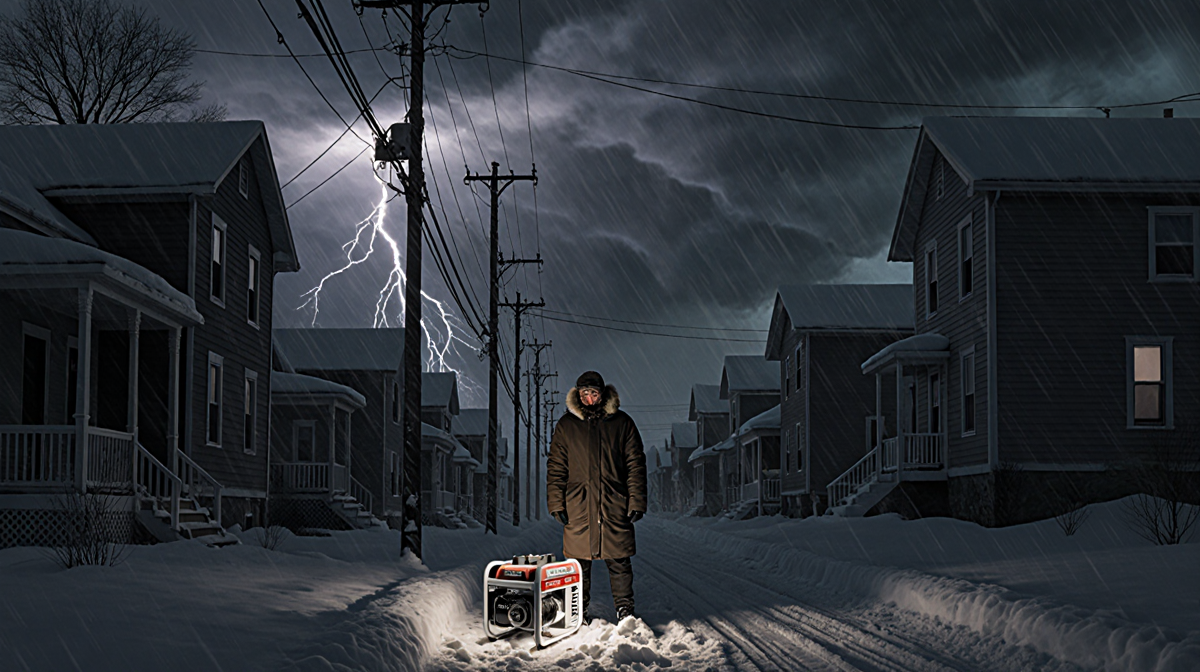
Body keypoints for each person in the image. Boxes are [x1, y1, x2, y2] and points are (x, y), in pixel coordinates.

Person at [546, 370, 647, 623]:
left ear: (602, 395)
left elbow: (635, 464)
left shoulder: (622, 423)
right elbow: (556, 467)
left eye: (593, 393)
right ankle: (577, 611)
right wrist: (556, 502)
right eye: (584, 394)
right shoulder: (567, 426)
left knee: (619, 561)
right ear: (577, 396)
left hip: (614, 502)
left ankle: (625, 610)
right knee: (578, 564)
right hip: (578, 504)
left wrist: (636, 500)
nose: (589, 399)